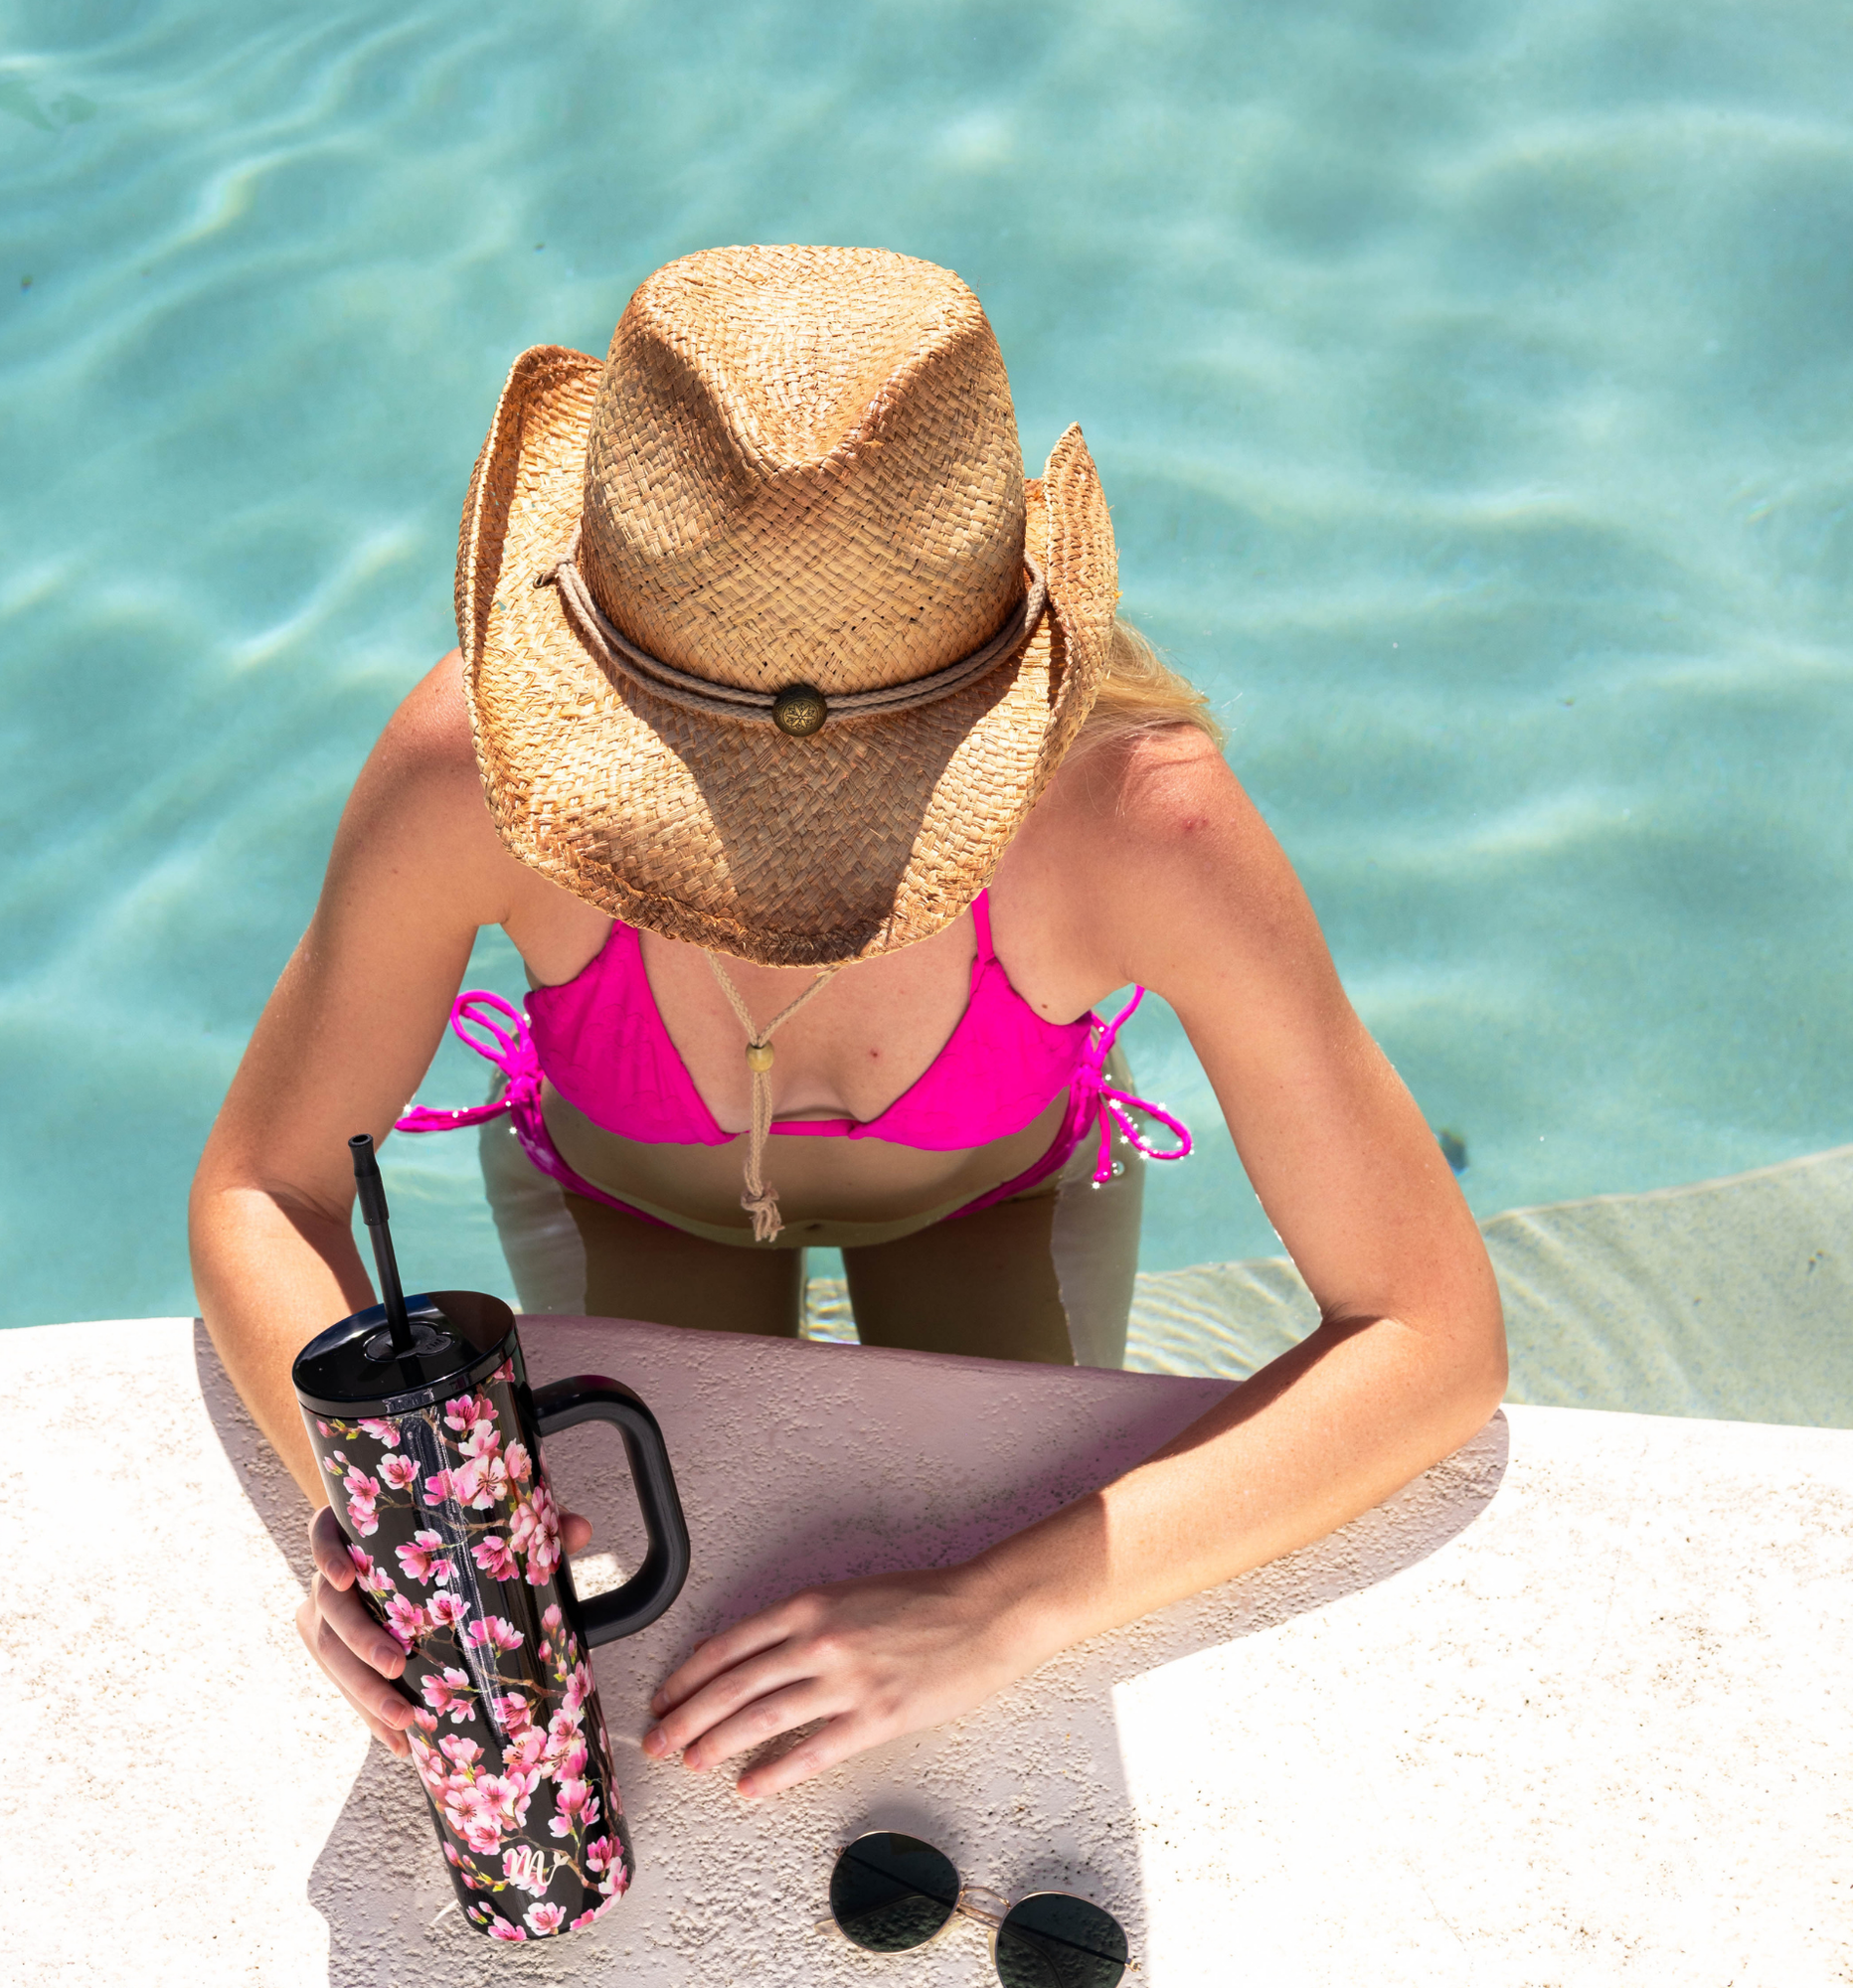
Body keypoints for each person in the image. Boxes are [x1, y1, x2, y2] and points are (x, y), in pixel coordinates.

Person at [190, 245, 1505, 1805]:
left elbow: (1434, 1338)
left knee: (968, 1687)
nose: (760, 864)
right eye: (688, 804)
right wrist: (389, 1513)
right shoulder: (464, 769)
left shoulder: (1141, 824)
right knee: (644, 1653)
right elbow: (259, 1193)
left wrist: (996, 1611)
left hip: (997, 1195)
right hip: (625, 1193)